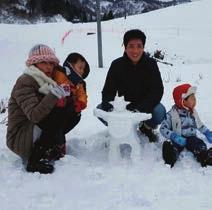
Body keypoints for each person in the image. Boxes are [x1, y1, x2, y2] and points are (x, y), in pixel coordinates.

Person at [6, 44, 81, 174]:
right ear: (34, 64)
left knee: (72, 112)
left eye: (51, 63)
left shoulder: (47, 81)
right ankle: (35, 159)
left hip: (33, 130)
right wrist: (55, 94)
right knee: (58, 113)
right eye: (43, 62)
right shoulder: (25, 81)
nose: (49, 67)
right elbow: (35, 115)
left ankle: (51, 147)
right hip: (20, 137)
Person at [97, 29, 166, 142]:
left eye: (139, 46)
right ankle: (121, 128)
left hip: (144, 108)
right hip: (124, 108)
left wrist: (140, 110)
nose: (135, 50)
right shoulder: (116, 65)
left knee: (159, 111)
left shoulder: (151, 64)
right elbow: (108, 92)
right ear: (125, 47)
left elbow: (157, 91)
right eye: (131, 46)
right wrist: (113, 112)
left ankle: (146, 127)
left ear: (143, 47)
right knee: (100, 109)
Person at [160, 83, 212, 167]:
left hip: (191, 138)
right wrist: (173, 136)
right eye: (192, 98)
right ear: (182, 101)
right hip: (178, 138)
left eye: (194, 98)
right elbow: (162, 128)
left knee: (198, 144)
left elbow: (199, 124)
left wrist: (207, 132)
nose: (195, 100)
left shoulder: (193, 112)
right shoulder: (171, 114)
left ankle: (204, 156)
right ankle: (171, 155)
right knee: (174, 145)